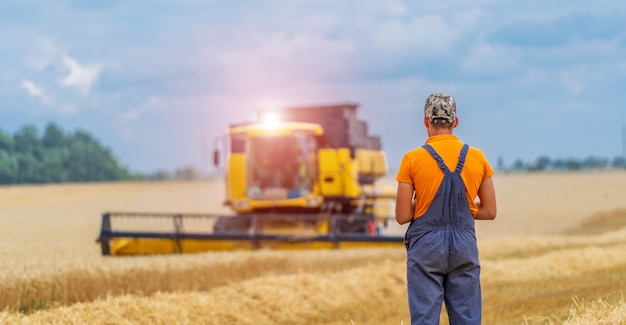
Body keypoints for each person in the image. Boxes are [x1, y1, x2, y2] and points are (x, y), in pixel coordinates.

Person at [395, 92, 497, 325]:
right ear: (456, 122)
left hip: (426, 248)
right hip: (464, 246)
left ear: (425, 122)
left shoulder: (412, 159)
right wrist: (464, 210)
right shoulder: (478, 157)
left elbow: (402, 216)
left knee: (425, 320)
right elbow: (490, 211)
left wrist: (425, 203)